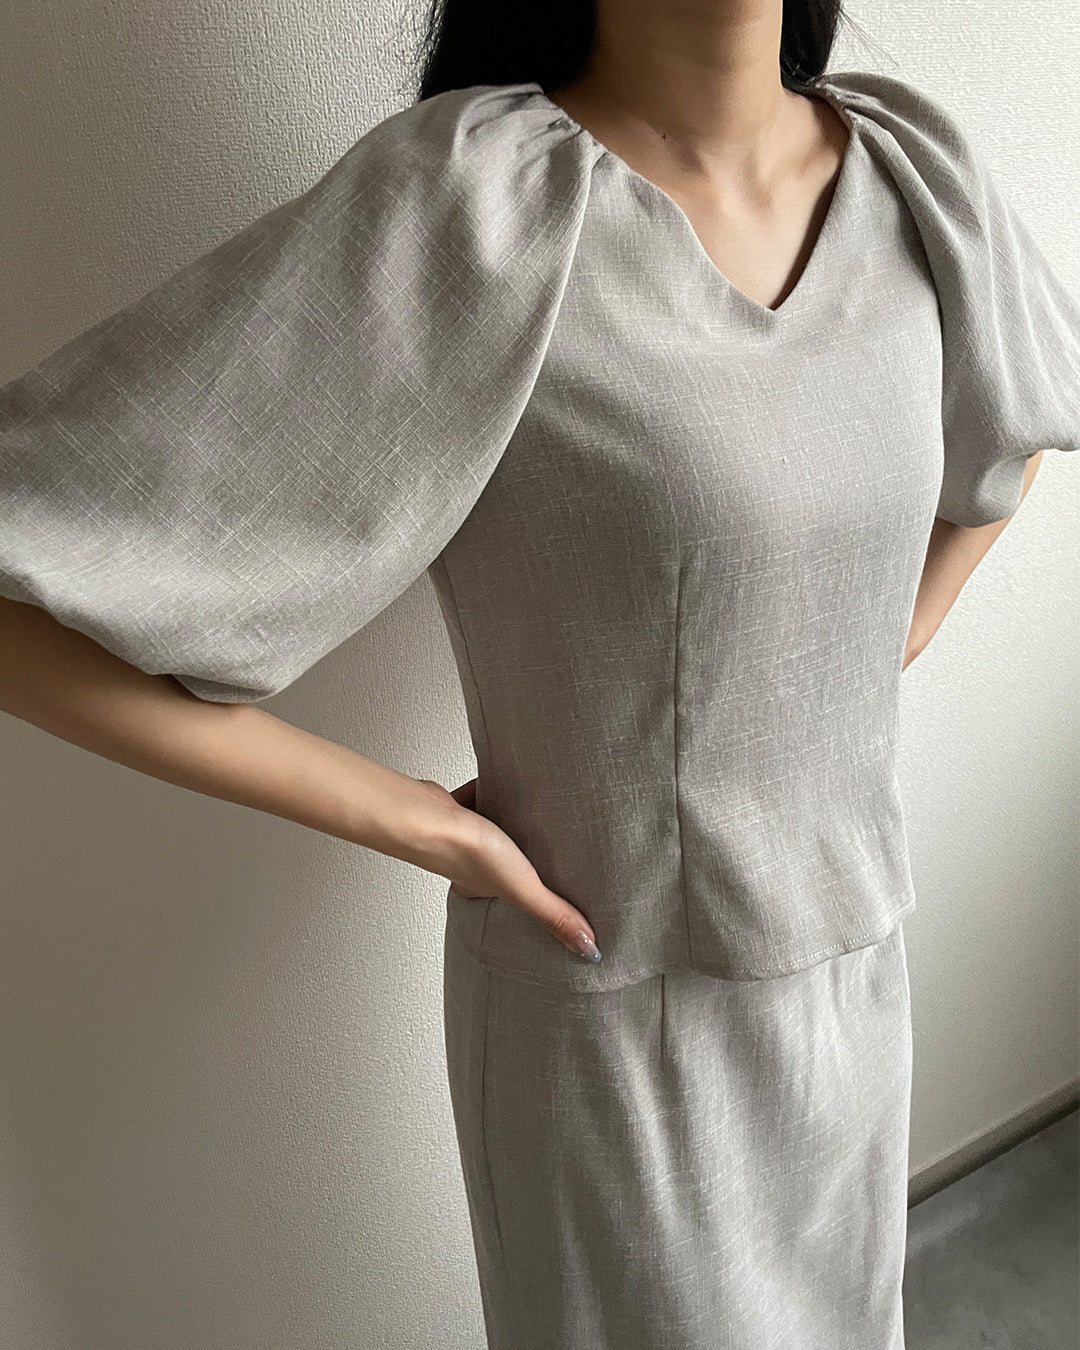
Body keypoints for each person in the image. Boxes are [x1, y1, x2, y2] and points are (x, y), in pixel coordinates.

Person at [1, 0, 1077, 1346]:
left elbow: (1027, 409)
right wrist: (412, 817)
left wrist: (881, 632)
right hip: (618, 1033)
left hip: (854, 986)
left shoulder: (917, 173)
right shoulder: (480, 205)